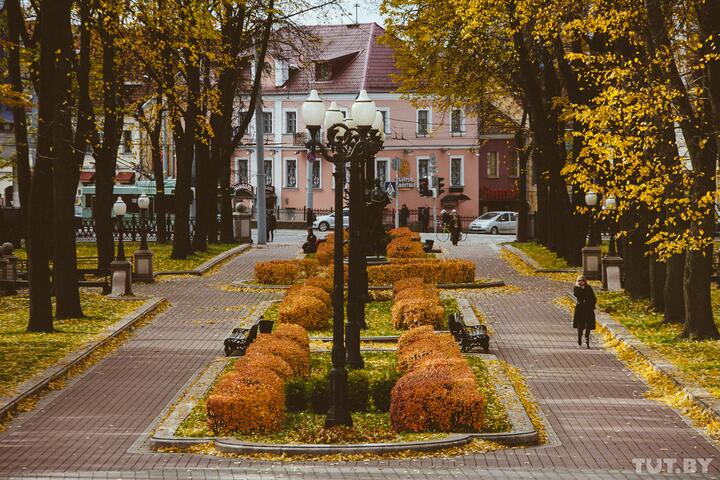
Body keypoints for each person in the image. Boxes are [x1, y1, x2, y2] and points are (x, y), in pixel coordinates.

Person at [573, 275, 596, 349]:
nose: (581, 282)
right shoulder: (576, 288)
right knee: (580, 325)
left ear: (585, 281)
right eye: (579, 280)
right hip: (580, 309)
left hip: (588, 308)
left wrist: (592, 304)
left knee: (588, 324)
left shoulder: (589, 287)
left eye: (582, 280)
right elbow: (576, 294)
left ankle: (587, 340)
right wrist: (581, 289)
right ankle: (579, 339)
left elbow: (593, 297)